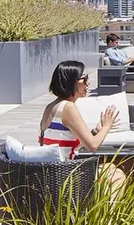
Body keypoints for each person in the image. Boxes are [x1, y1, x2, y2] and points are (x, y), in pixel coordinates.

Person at [38, 61, 125, 189]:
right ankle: (110, 210)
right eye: (84, 79)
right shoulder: (68, 108)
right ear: (72, 81)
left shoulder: (51, 107)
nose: (88, 83)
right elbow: (92, 145)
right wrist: (107, 126)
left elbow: (64, 142)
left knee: (110, 168)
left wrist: (96, 131)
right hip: (65, 174)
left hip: (52, 172)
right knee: (117, 176)